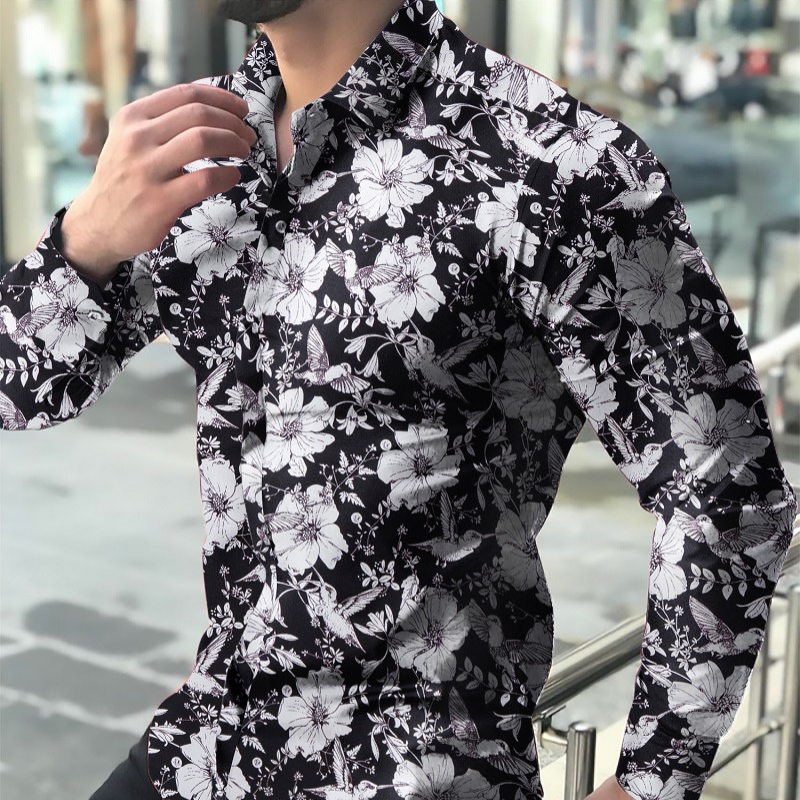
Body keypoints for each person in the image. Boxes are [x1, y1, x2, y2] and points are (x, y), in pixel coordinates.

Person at [0, 1, 796, 798]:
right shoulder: (195, 148)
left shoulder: (549, 160)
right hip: (211, 750)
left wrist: (651, 782)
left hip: (412, 770)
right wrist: (86, 240)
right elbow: (19, 390)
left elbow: (726, 489)